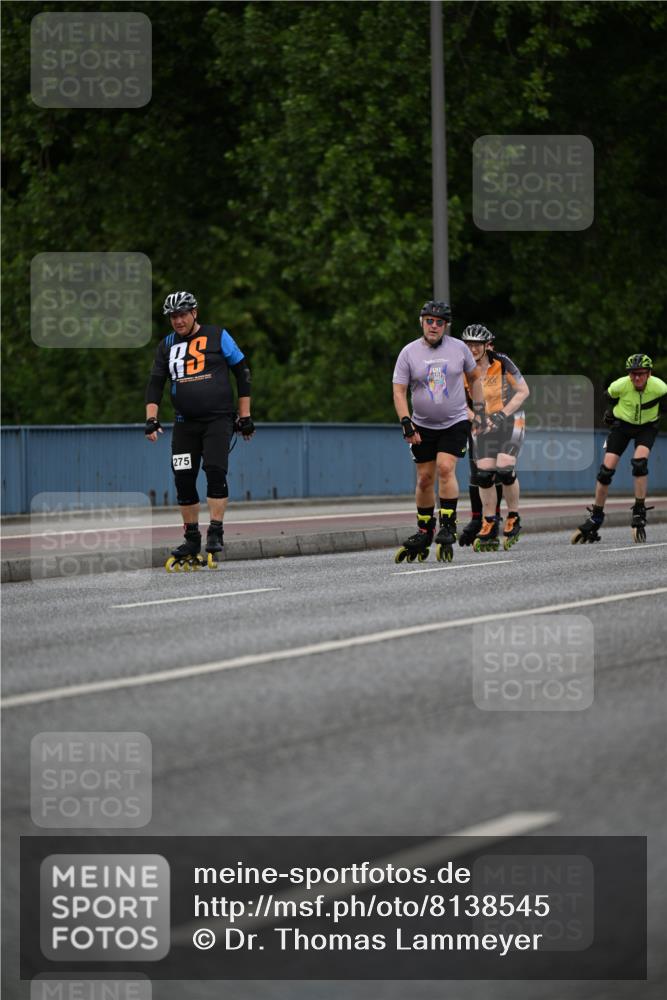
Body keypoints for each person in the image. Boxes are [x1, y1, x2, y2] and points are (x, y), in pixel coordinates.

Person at [144, 291, 254, 570]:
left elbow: (242, 372)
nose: (178, 321)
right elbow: (155, 383)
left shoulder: (218, 336)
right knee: (183, 476)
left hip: (218, 420)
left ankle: (215, 530)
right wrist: (151, 419)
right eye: (173, 316)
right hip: (184, 424)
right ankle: (191, 538)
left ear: (195, 313)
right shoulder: (166, 345)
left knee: (215, 471)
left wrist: (245, 416)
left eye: (182, 314)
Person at [392, 300, 486, 563]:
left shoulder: (459, 349)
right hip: (421, 424)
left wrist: (478, 410)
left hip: (455, 421)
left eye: (439, 322)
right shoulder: (409, 353)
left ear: (446, 326)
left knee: (446, 468)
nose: (434, 326)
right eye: (429, 321)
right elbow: (399, 390)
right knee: (424, 478)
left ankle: (447, 523)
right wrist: (405, 421)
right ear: (421, 322)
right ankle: (425, 529)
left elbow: (475, 379)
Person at [572, 353, 666, 544]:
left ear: (649, 373)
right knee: (605, 471)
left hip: (647, 427)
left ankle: (639, 511)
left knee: (639, 463)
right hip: (622, 426)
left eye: (640, 374)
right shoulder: (620, 385)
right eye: (633, 374)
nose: (636, 378)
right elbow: (609, 397)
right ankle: (596, 516)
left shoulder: (660, 388)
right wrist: (609, 413)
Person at [460, 325, 530, 551]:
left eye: (477, 345)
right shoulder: (460, 368)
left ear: (485, 346)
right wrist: (476, 418)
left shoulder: (502, 362)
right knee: (483, 474)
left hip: (510, 418)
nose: (472, 349)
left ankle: (513, 516)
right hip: (481, 420)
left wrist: (500, 415)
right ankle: (488, 521)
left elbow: (523, 391)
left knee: (504, 469)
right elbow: (458, 402)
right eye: (468, 345)